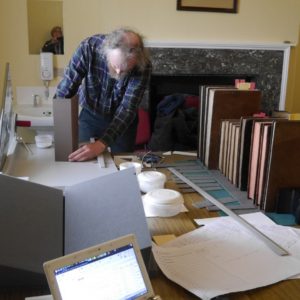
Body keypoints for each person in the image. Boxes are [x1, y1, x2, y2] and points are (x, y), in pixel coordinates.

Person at [55, 27, 152, 162]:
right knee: (83, 163)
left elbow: (127, 108)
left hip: (123, 123)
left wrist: (101, 144)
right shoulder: (89, 47)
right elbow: (66, 88)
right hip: (90, 115)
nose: (118, 73)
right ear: (106, 51)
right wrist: (60, 129)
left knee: (121, 167)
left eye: (125, 69)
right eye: (115, 66)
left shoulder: (143, 65)